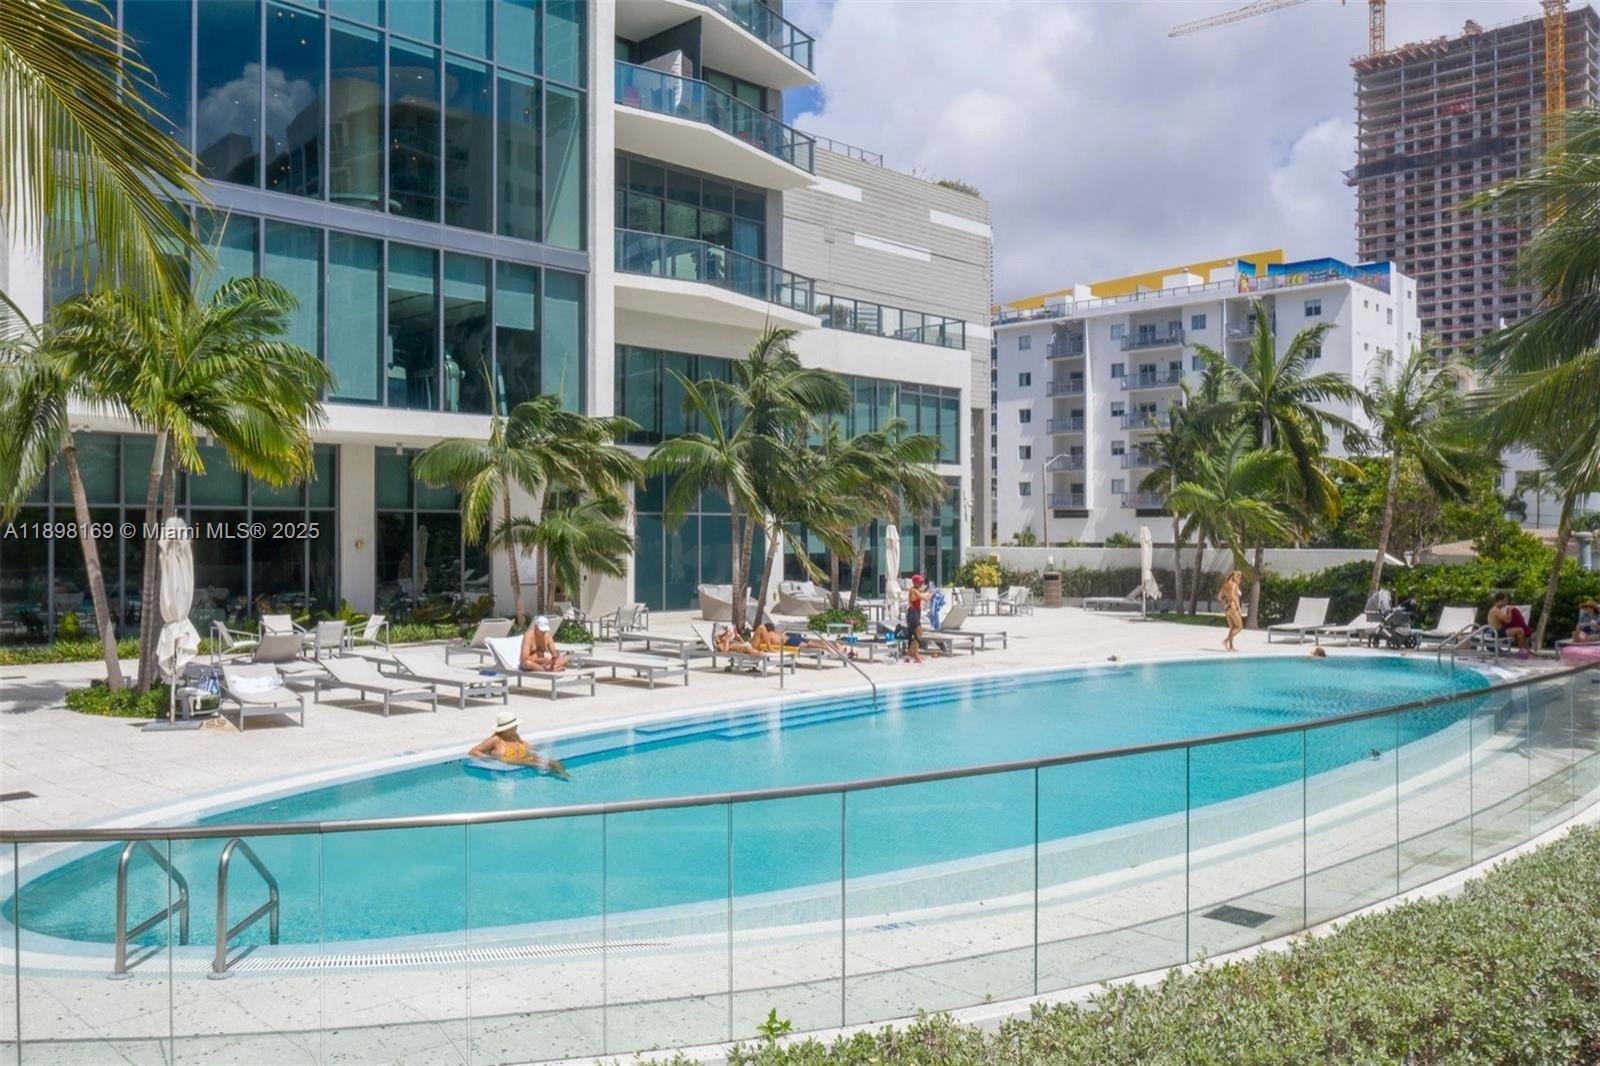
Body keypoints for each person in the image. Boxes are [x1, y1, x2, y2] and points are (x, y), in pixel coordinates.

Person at [469, 710, 568, 778]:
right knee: (541, 763)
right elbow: (473, 751)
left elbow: (525, 745)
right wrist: (488, 759)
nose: (516, 727)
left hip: (524, 757)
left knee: (555, 762)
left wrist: (538, 747)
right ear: (506, 728)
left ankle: (564, 777)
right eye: (514, 726)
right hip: (511, 759)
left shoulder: (515, 736)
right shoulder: (495, 739)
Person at [1487, 593, 1530, 658]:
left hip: (1497, 631)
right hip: (1497, 632)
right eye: (1505, 600)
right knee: (1520, 630)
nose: (1506, 602)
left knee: (1521, 629)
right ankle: (1522, 652)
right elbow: (1508, 620)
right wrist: (1510, 610)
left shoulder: (1496, 609)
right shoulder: (1496, 610)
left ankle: (1525, 650)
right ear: (1500, 601)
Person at [1220, 570, 1244, 652]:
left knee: (1232, 628)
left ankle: (1231, 646)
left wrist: (1225, 603)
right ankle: (1225, 641)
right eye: (1239, 577)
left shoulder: (1225, 585)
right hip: (1234, 608)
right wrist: (1239, 608)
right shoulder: (1234, 585)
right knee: (1239, 627)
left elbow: (1219, 597)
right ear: (1235, 577)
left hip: (1227, 609)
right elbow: (1234, 597)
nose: (1240, 580)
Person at [905, 573, 927, 663]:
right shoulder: (913, 590)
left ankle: (910, 653)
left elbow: (923, 592)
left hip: (915, 613)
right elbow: (925, 598)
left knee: (917, 633)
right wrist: (933, 593)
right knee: (918, 633)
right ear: (915, 583)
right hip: (913, 613)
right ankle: (916, 655)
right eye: (920, 582)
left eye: (922, 582)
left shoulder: (916, 589)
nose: (921, 584)